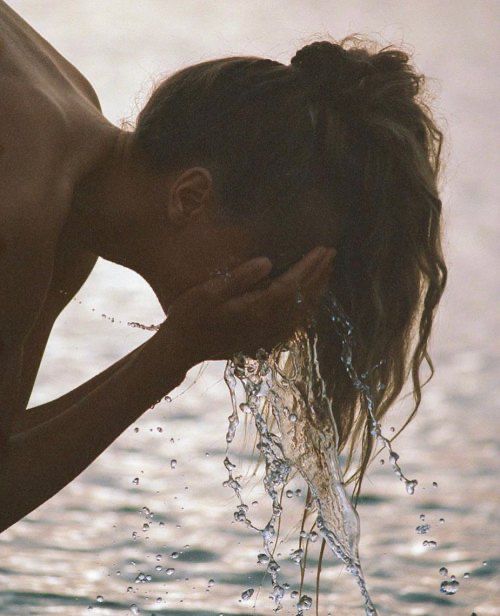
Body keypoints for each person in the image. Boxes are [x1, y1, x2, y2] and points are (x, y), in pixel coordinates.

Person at [0, 0, 447, 533]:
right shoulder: (20, 206)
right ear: (190, 198)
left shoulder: (68, 192)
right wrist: (174, 353)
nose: (282, 315)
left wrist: (177, 346)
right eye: (279, 274)